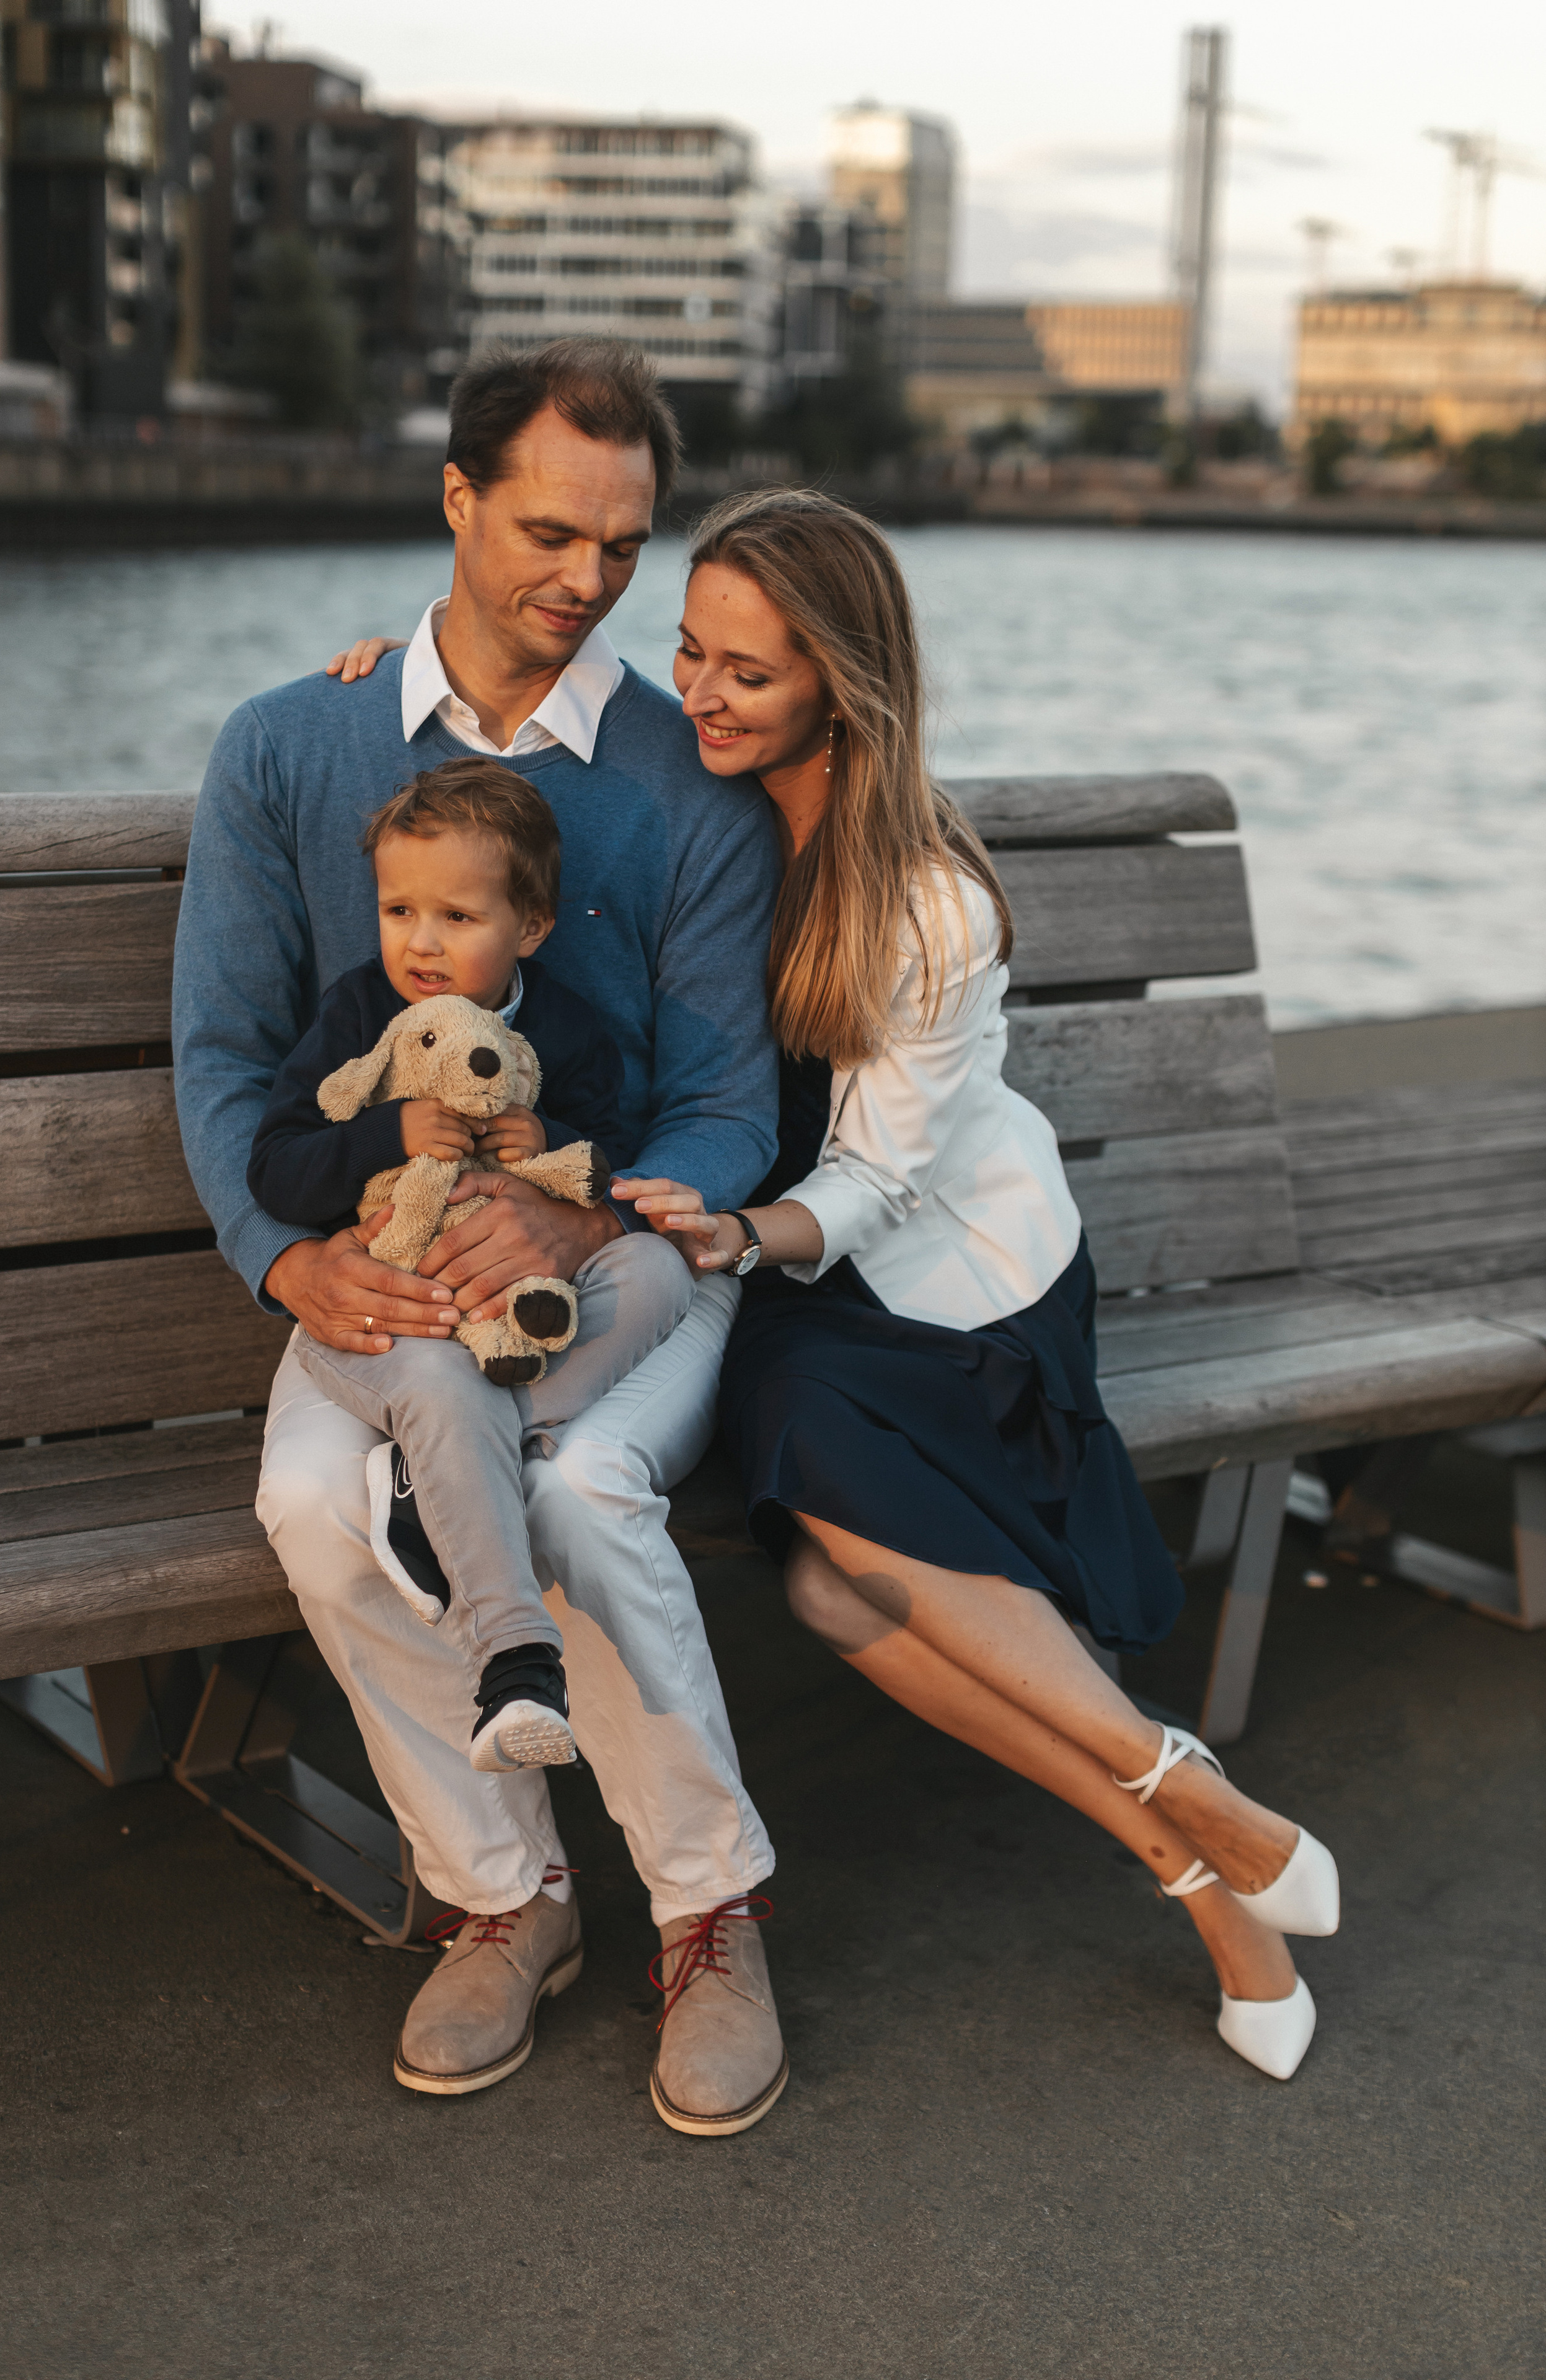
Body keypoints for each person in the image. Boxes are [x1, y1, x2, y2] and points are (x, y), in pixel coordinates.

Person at [617, 487, 1340, 2084]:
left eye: (747, 668)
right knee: (814, 1579)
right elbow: (530, 743)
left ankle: (1190, 1826)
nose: (701, 692)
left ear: (839, 677)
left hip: (943, 1280)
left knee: (806, 1480)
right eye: (687, 650)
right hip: (792, 1279)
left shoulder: (925, 900)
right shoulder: (695, 781)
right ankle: (1198, 1837)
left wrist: (736, 1240)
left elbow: (872, 1187)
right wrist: (380, 670)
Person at [173, 339, 788, 2136]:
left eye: (622, 545)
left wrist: (577, 1199)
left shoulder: (690, 782)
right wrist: (287, 1264)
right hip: (373, 1257)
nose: (587, 580)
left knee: (577, 1483)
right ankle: (503, 1891)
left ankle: (710, 1911)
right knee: (307, 1501)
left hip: (618, 1271)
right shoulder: (294, 744)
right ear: (453, 499)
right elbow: (225, 1058)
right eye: (546, 529)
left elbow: (736, 1104)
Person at [246, 759, 695, 1780]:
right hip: (395, 1318)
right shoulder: (359, 1020)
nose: (422, 941)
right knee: (446, 1380)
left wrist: (557, 1141)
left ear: (529, 926)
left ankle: (429, 1481)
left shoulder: (570, 1028)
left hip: (511, 1321)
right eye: (399, 909)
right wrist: (384, 1136)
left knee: (663, 1276)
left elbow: (607, 1166)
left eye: (456, 914)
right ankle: (516, 1663)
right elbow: (276, 1168)